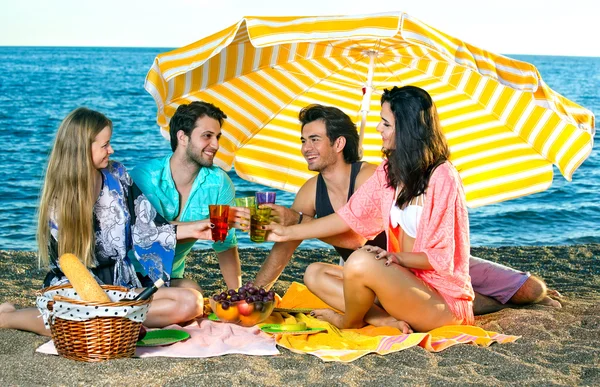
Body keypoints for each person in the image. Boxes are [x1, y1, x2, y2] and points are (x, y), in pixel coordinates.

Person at [255, 104, 560, 317]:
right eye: (303, 140)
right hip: (386, 277)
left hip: (423, 260)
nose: (305, 147)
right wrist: (255, 290)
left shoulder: (374, 176)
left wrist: (299, 221)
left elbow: (357, 239)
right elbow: (287, 243)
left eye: (314, 139)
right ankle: (502, 306)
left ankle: (517, 299)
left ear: (338, 144)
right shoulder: (311, 190)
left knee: (530, 290)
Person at [264, 86, 474, 332]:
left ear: (406, 128)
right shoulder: (390, 171)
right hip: (402, 285)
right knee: (314, 272)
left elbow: (442, 257)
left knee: (361, 259)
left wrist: (396, 258)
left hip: (440, 302)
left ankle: (348, 321)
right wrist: (286, 231)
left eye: (385, 123)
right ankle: (382, 319)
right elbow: (346, 218)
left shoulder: (442, 176)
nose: (378, 129)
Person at [0, 107, 211, 336]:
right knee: (75, 327)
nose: (111, 150)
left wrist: (194, 229)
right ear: (82, 149)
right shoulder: (60, 200)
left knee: (192, 297)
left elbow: (146, 226)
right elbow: (72, 267)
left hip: (122, 284)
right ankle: (9, 317)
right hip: (79, 291)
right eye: (104, 145)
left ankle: (116, 324)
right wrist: (102, 304)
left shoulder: (116, 174)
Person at [130, 101, 243, 292]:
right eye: (207, 136)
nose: (215, 145)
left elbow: (225, 245)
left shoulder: (219, 183)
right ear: (182, 137)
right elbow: (147, 231)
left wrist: (238, 295)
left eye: (217, 137)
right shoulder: (144, 176)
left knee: (194, 294)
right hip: (129, 275)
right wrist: (202, 225)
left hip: (170, 278)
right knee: (191, 300)